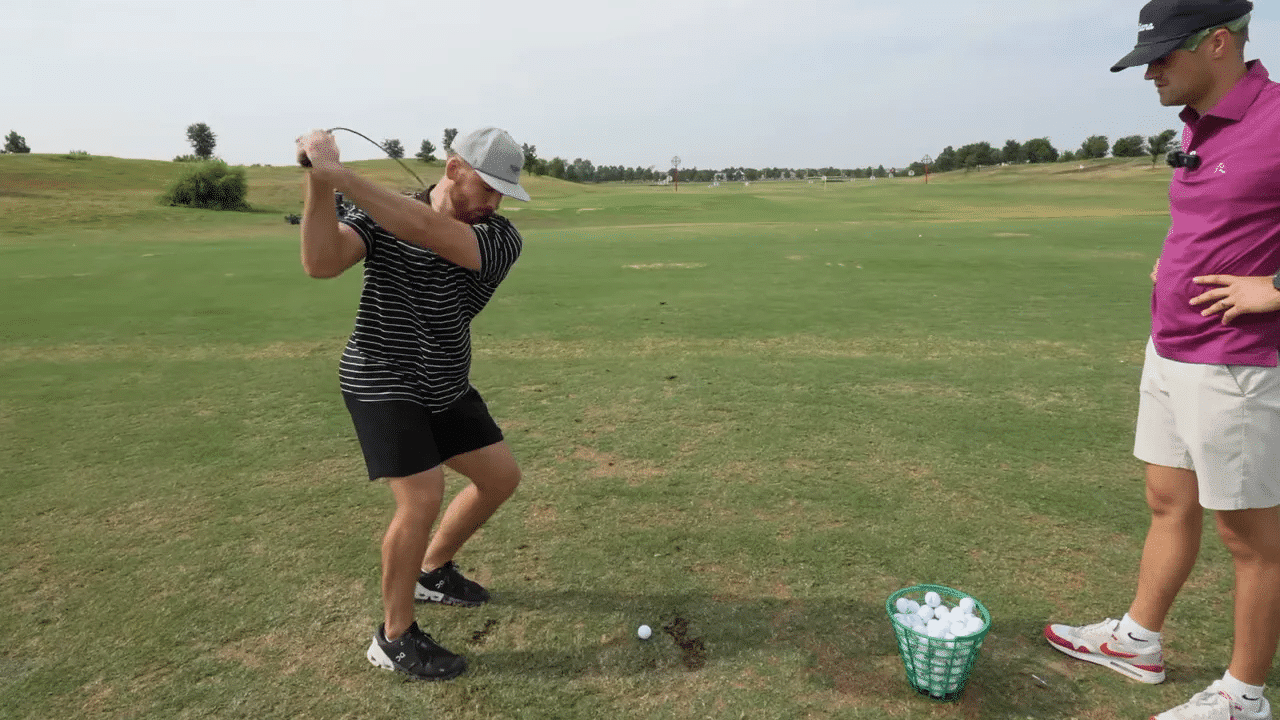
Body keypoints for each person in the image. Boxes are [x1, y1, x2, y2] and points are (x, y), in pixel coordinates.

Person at [1044, 1, 1280, 718]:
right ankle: (1138, 641)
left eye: (1163, 55)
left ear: (1217, 44)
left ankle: (1245, 695)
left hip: (1238, 363)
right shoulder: (1197, 126)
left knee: (1252, 539)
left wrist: (1272, 287)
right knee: (1166, 502)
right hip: (1172, 349)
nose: (1150, 71)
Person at [296, 126, 530, 680]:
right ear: (453, 170)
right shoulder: (383, 212)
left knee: (499, 477)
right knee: (421, 496)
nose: (494, 203)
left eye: (503, 193)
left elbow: (426, 229)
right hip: (380, 377)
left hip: (444, 381)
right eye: (487, 188)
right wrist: (319, 185)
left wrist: (341, 176)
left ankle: (432, 570)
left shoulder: (499, 240)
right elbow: (322, 263)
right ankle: (394, 637)